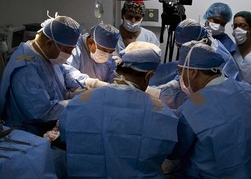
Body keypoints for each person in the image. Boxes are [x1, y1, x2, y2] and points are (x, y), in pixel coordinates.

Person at [59, 41, 178, 178]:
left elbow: (64, 135)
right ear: (148, 76)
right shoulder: (162, 114)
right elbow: (170, 151)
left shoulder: (79, 102)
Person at [164, 41, 251, 178]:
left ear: (193, 72)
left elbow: (174, 150)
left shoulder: (193, 105)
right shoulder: (246, 89)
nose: (180, 77)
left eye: (180, 71)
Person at [0, 13, 86, 136]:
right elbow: (41, 112)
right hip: (27, 133)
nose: (69, 54)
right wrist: (77, 102)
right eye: (67, 50)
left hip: (48, 124)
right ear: (49, 43)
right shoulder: (26, 69)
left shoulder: (47, 54)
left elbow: (64, 72)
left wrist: (89, 82)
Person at [146, 19, 240, 109]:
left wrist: (161, 95)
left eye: (184, 47)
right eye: (179, 47)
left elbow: (201, 100)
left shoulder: (220, 61)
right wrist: (172, 84)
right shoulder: (199, 54)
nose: (182, 51)